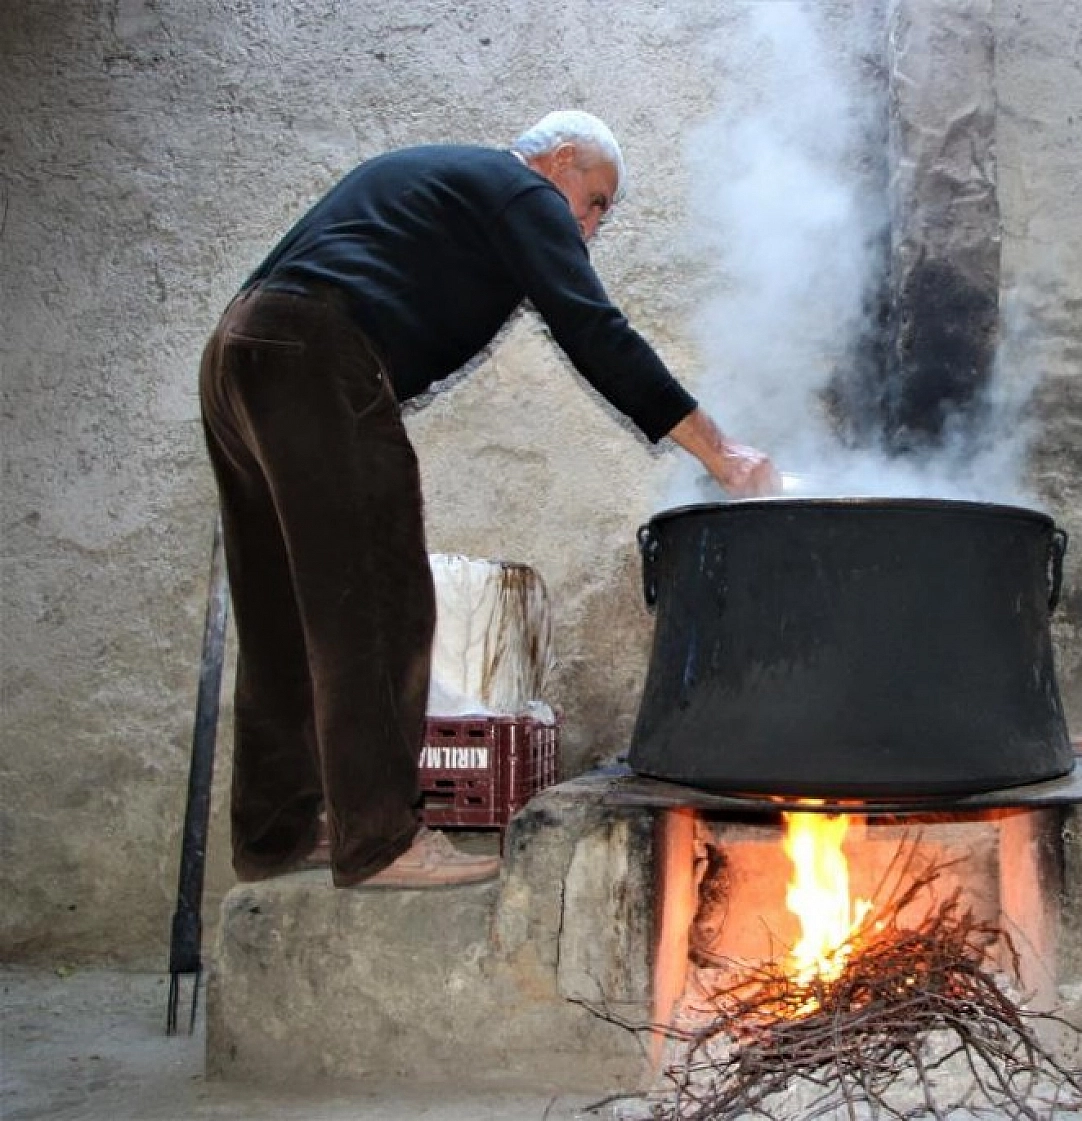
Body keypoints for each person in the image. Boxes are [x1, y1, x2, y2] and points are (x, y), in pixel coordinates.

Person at [198, 110, 777, 889]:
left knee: (282, 612)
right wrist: (722, 452)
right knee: (381, 595)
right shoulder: (518, 189)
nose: (593, 224)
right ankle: (381, 839)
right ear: (561, 158)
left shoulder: (454, 183)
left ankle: (278, 833)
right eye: (596, 200)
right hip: (317, 355)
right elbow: (594, 329)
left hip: (243, 353)